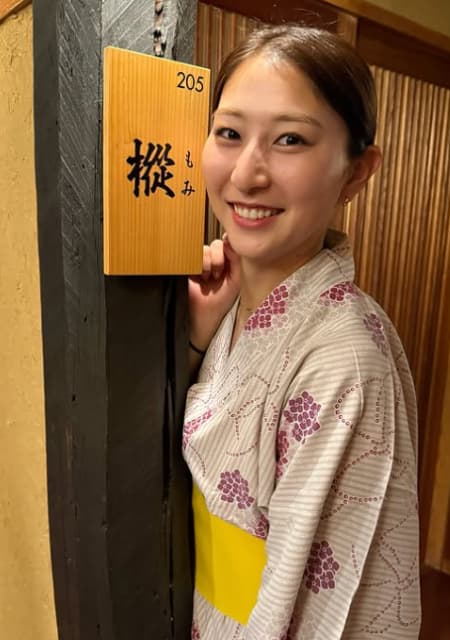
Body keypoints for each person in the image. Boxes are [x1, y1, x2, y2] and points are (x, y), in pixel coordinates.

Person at [184, 23, 420, 640]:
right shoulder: (226, 310)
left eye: (290, 139)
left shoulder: (343, 358)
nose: (246, 173)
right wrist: (196, 342)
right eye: (229, 133)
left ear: (356, 173)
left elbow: (327, 607)